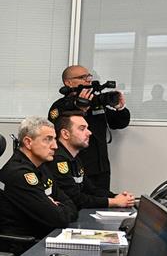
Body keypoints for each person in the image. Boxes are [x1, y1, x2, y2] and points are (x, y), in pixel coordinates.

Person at [47, 64, 130, 194]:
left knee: (102, 204)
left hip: (101, 167)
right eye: (82, 77)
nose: (88, 80)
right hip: (77, 166)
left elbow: (119, 123)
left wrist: (120, 108)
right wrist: (80, 109)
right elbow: (58, 127)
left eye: (89, 76)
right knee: (80, 203)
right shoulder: (60, 106)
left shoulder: (96, 101)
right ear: (68, 82)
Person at [0, 116, 78, 240]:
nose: (55, 146)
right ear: (28, 142)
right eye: (48, 139)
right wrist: (55, 206)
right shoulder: (20, 174)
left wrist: (56, 206)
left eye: (54, 139)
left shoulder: (40, 167)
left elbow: (71, 205)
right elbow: (59, 219)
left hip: (42, 237)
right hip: (25, 248)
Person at [46, 112, 135, 210]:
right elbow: (75, 199)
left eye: (87, 128)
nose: (89, 132)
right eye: (82, 128)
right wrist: (113, 202)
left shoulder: (75, 158)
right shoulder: (58, 160)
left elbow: (91, 190)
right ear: (65, 134)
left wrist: (116, 197)